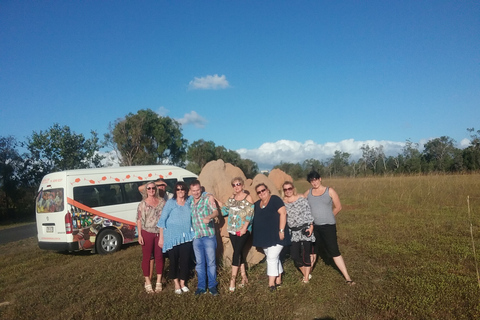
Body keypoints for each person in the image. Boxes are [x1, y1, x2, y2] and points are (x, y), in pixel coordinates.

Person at [304, 171, 355, 285]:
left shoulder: (329, 191)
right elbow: (300, 202)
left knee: (334, 251)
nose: (314, 182)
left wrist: (328, 216)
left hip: (328, 227)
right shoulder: (308, 193)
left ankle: (347, 277)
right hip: (314, 227)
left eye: (316, 179)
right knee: (313, 251)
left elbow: (338, 207)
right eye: (312, 181)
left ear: (320, 179)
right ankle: (306, 276)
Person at [217, 177, 254, 292]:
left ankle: (232, 280)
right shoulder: (232, 198)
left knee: (236, 252)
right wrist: (215, 200)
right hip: (232, 229)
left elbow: (250, 214)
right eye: (234, 185)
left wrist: (244, 228)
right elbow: (224, 211)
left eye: (238, 184)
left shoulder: (248, 198)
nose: (236, 186)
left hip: (243, 230)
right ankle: (244, 277)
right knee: (239, 253)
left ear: (242, 185)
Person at [157, 181, 195, 294]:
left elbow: (200, 193)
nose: (180, 191)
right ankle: (176, 284)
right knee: (174, 261)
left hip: (186, 237)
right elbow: (162, 220)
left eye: (182, 189)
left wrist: (209, 195)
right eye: (178, 189)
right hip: (171, 237)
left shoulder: (189, 201)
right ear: (175, 191)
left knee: (185, 261)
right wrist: (161, 238)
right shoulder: (170, 203)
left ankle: (183, 283)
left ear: (186, 190)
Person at [252, 183, 290, 292]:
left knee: (271, 258)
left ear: (268, 189)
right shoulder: (257, 204)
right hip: (264, 237)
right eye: (259, 192)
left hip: (277, 235)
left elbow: (283, 213)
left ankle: (271, 283)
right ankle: (278, 279)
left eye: (263, 190)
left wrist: (281, 230)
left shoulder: (275, 199)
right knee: (273, 257)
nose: (261, 193)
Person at [190, 179, 220, 296]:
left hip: (208, 236)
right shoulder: (190, 202)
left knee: (211, 262)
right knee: (199, 263)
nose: (196, 192)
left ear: (201, 189)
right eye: (193, 190)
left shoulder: (208, 199)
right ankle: (201, 287)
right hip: (196, 238)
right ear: (191, 191)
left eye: (198, 190)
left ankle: (212, 286)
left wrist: (210, 216)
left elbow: (216, 212)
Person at [282, 181, 315, 283]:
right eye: (285, 189)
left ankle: (305, 278)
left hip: (304, 228)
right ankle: (306, 273)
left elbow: (308, 213)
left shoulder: (301, 199)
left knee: (306, 253)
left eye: (289, 188)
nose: (288, 191)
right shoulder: (283, 202)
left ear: (293, 188)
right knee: (295, 255)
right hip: (293, 232)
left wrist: (311, 227)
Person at [136, 181, 165, 293]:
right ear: (146, 190)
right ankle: (147, 281)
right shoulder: (142, 204)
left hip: (160, 232)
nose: (151, 190)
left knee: (159, 257)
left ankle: (158, 281)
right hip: (147, 232)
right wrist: (140, 235)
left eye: (153, 188)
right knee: (147, 257)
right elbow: (139, 220)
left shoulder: (162, 202)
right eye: (149, 188)